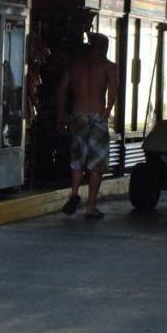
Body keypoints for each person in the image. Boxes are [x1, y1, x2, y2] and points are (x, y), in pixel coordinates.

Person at [56, 32, 118, 220]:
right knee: (96, 164)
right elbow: (113, 90)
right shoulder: (108, 66)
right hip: (97, 117)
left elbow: (61, 92)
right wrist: (107, 111)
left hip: (78, 116)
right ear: (104, 47)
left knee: (77, 159)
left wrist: (61, 117)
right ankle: (91, 208)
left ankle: (74, 193)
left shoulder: (75, 67)